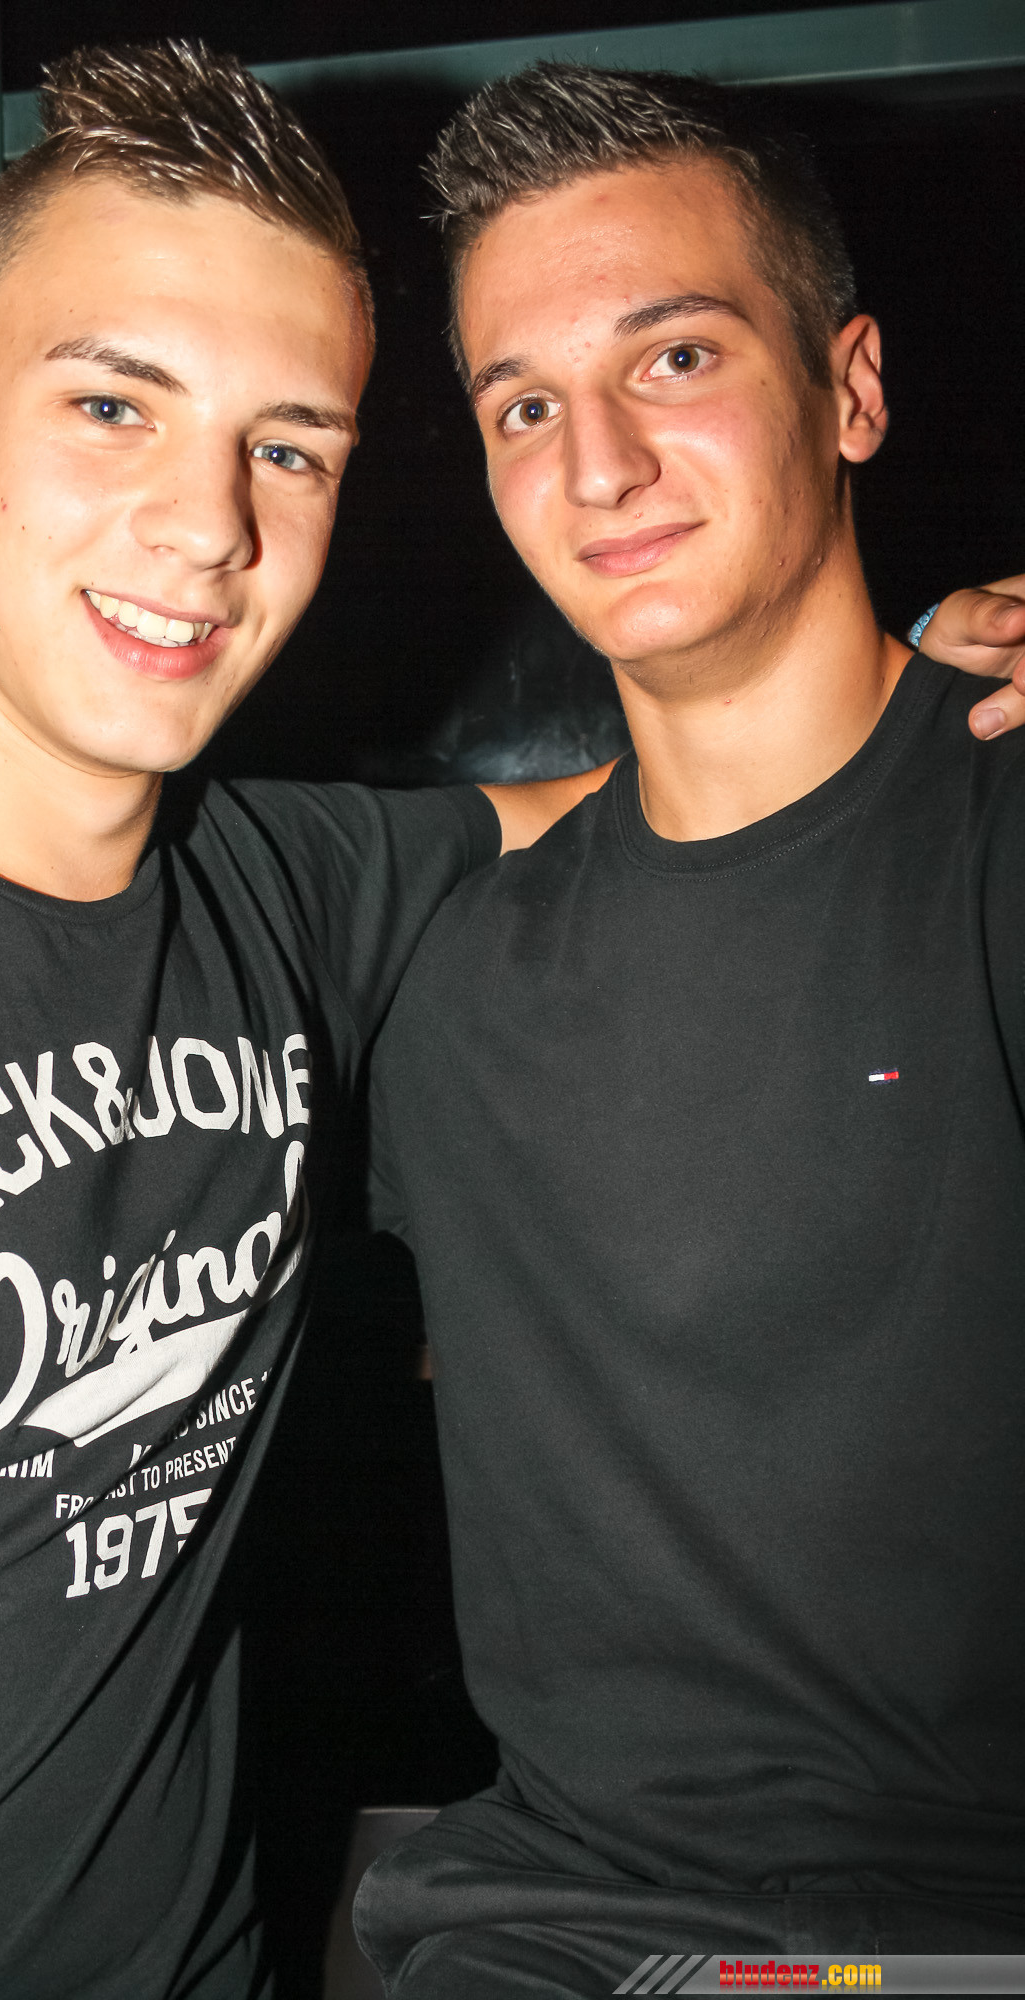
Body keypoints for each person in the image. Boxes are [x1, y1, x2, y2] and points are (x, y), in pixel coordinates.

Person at [0, 35, 1014, 2000]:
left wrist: (922, 667)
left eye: (288, 447)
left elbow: (691, 793)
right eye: (113, 405)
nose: (204, 524)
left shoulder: (292, 890)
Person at [358, 62, 1025, 1996]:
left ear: (850, 388)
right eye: (522, 405)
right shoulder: (438, 974)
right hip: (560, 1932)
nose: (597, 468)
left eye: (671, 359)